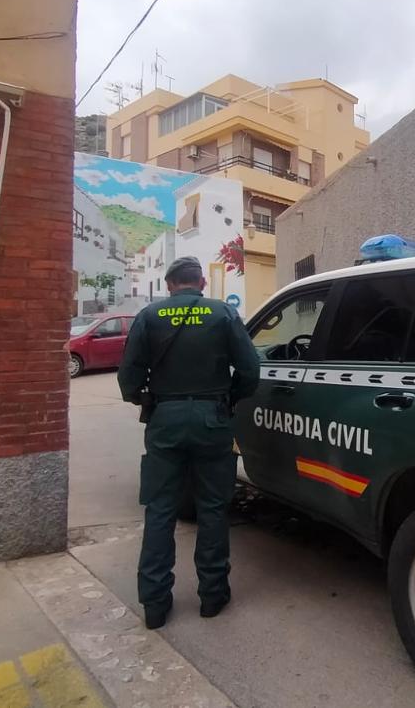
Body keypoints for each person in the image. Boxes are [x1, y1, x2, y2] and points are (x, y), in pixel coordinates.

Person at [117, 256, 260, 629]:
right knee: (213, 508)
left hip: (165, 418)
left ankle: (154, 604)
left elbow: (128, 376)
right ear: (201, 282)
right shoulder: (222, 314)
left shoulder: (149, 316)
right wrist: (230, 398)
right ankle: (212, 596)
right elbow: (250, 370)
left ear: (168, 285)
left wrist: (142, 398)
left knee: (160, 509)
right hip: (213, 418)